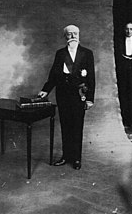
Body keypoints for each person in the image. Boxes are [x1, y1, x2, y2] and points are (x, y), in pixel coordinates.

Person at [38, 25, 95, 170]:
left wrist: (89, 98)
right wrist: (46, 90)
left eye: (75, 33)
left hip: (79, 95)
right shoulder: (60, 53)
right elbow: (54, 75)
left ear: (79, 35)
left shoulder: (87, 53)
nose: (73, 36)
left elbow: (91, 78)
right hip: (63, 95)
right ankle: (66, 156)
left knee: (77, 126)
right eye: (69, 34)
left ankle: (76, 159)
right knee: (65, 125)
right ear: (65, 37)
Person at [115, 22, 132, 128]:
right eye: (127, 29)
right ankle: (125, 121)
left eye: (131, 29)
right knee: (124, 93)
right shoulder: (119, 42)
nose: (129, 31)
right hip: (123, 70)